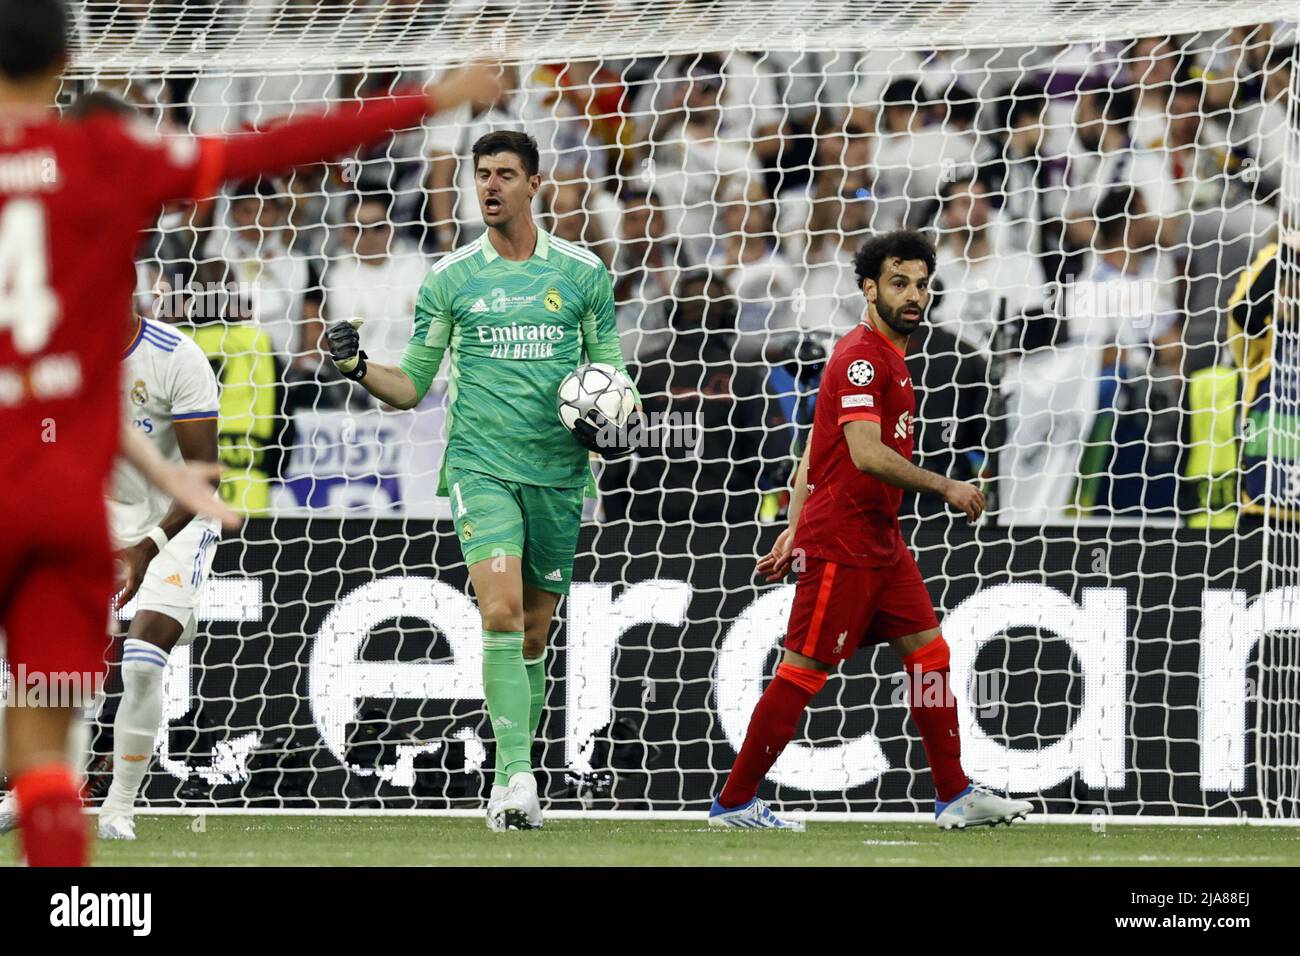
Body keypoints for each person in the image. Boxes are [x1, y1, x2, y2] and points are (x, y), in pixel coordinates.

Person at [0, 0, 500, 866]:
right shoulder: (106, 156)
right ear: (65, 61)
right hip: (65, 506)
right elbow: (273, 149)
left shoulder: (164, 342)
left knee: (34, 726)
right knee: (45, 746)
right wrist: (430, 98)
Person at [323, 130, 638, 831]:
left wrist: (621, 420)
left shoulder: (583, 273)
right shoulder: (450, 278)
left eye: (504, 174)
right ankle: (515, 779)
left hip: (559, 474)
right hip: (479, 467)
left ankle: (514, 774)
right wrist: (356, 368)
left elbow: (615, 376)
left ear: (534, 184)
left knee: (532, 632)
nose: (490, 186)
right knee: (497, 613)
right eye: (481, 174)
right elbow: (409, 387)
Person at [709, 230, 1033, 830]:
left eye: (921, 285)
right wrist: (946, 485)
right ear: (868, 288)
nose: (914, 296)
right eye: (899, 283)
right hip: (843, 543)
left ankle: (954, 792)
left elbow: (814, 447)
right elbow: (862, 451)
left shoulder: (891, 357)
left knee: (931, 656)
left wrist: (790, 523)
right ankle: (734, 802)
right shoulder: (861, 357)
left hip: (880, 540)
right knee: (802, 671)